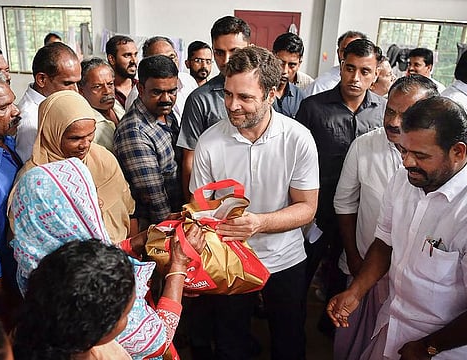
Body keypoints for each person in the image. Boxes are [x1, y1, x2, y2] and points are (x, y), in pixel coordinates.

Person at [190, 46, 319, 360]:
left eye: (245, 97)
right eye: (229, 94)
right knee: (229, 342)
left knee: (288, 341)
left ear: (272, 93)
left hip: (285, 259)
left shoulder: (297, 138)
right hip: (229, 261)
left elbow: (307, 208)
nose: (233, 106)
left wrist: (258, 222)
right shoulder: (209, 141)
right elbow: (200, 208)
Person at [10, 157, 205, 359]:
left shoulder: (34, 260)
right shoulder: (93, 301)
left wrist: (143, 237)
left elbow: (92, 262)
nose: (99, 203)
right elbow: (158, 339)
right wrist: (178, 267)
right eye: (90, 197)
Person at [328, 96, 467, 359]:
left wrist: (429, 345)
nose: (406, 163)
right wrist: (356, 291)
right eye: (404, 151)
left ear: (458, 152)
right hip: (391, 323)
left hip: (445, 347)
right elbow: (384, 242)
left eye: (421, 155)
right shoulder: (404, 181)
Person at [296, 38, 386, 335]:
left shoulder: (384, 113)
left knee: (346, 270)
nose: (355, 78)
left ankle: (333, 326)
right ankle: (291, 325)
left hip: (362, 213)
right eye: (350, 68)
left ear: (376, 73)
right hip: (317, 211)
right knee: (303, 271)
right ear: (341, 67)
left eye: (365, 71)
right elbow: (295, 161)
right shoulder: (313, 108)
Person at [14, 90, 136, 243]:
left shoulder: (103, 159)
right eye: (75, 138)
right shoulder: (34, 180)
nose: (85, 145)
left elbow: (128, 210)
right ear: (52, 132)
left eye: (90, 134)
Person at [178, 15, 251, 200]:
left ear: (250, 49)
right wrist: (194, 212)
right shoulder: (200, 99)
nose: (226, 60)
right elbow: (190, 159)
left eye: (234, 51)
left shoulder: (264, 94)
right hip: (219, 197)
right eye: (219, 52)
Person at [115, 55, 182, 231]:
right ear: (141, 88)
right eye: (157, 92)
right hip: (159, 228)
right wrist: (171, 233)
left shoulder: (165, 112)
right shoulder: (134, 132)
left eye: (172, 91)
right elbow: (154, 199)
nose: (166, 98)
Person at [0, 69, 22, 330]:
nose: (16, 111)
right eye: (3, 108)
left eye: (12, 101)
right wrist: (9, 309)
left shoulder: (6, 143)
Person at [16, 42, 81, 162]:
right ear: (41, 79)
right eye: (67, 83)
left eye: (77, 83)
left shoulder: (59, 104)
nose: (76, 91)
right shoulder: (30, 123)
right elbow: (34, 172)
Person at [124, 36, 198, 123]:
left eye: (172, 57)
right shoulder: (138, 94)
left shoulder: (188, 80)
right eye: (162, 59)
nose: (170, 63)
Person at [78, 57, 125, 152]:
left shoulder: (115, 104)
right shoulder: (86, 125)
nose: (107, 91)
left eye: (110, 84)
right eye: (97, 87)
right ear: (81, 91)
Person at [304, 30, 367, 97]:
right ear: (338, 52)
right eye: (344, 51)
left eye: (356, 51)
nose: (349, 55)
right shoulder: (321, 85)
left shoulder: (374, 83)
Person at [272, 32, 308, 118]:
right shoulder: (257, 91)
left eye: (292, 65)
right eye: (280, 63)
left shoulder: (300, 97)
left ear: (299, 64)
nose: (285, 70)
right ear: (272, 57)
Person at [106, 35, 138, 108]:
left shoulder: (142, 88)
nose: (134, 60)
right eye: (127, 55)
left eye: (135, 55)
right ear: (112, 59)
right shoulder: (106, 92)